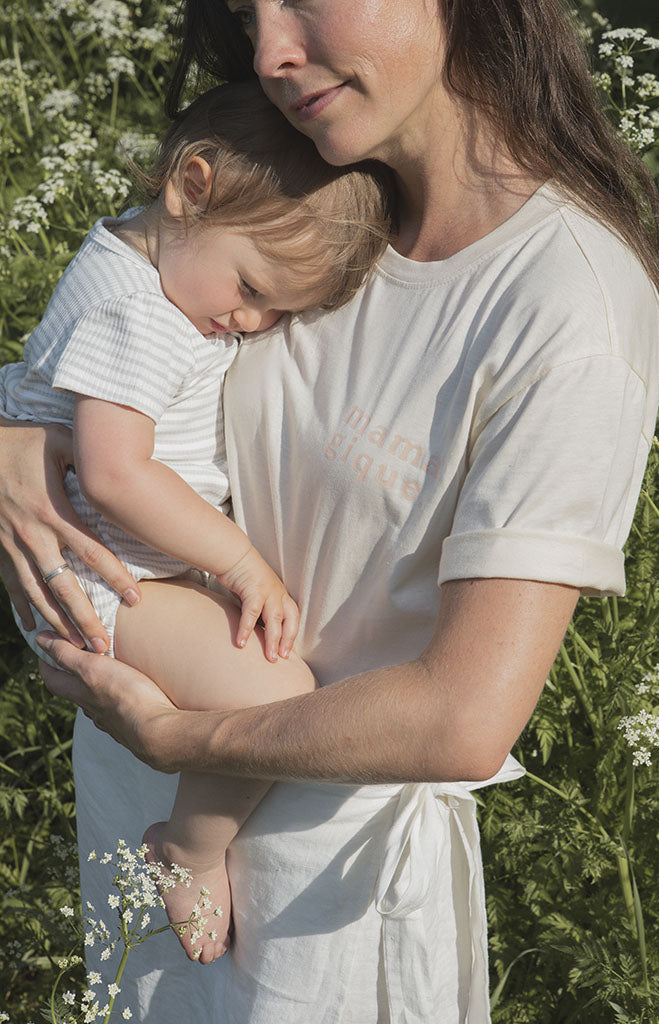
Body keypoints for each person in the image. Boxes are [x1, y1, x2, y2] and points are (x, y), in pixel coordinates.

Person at [0, 0, 659, 1020]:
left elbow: (461, 718)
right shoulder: (294, 188)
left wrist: (189, 740)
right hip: (134, 783)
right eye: (244, 10)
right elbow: (125, 352)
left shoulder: (563, 300)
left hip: (323, 904)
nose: (271, 50)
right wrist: (16, 430)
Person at [0, 80, 389, 962]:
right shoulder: (137, 312)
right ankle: (187, 846)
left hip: (108, 566)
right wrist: (243, 563)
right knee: (278, 696)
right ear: (192, 186)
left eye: (278, 313)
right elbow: (115, 470)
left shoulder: (143, 263)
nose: (250, 321)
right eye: (251, 287)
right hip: (95, 582)